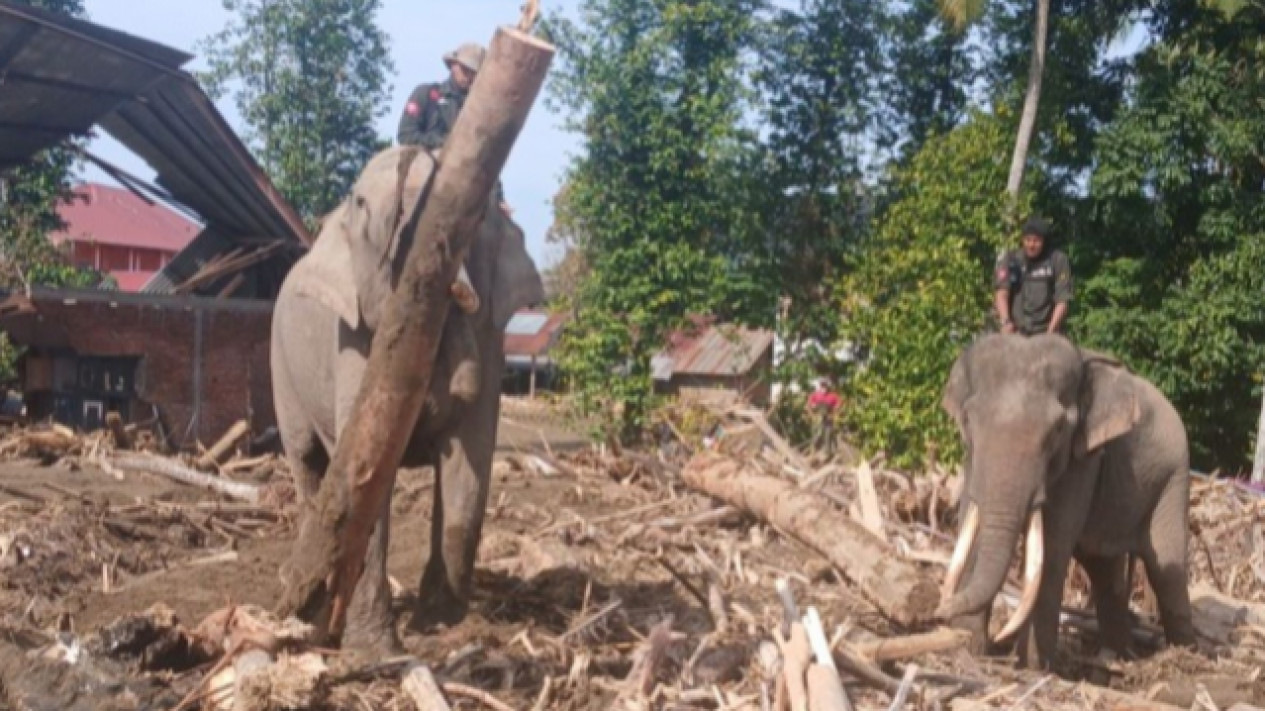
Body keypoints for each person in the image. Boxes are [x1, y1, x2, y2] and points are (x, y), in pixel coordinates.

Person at [993, 216, 1074, 336]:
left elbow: (1062, 300)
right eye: (1028, 240)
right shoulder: (1010, 259)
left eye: (1036, 241)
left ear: (1044, 241)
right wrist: (1006, 322)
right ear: (1022, 240)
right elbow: (1001, 293)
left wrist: (1050, 332)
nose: (1031, 245)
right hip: (1016, 330)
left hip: (1047, 330)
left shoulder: (1057, 260)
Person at [807, 378, 841, 458]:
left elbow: (839, 404)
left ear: (828, 386)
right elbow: (809, 405)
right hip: (818, 418)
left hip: (828, 419)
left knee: (828, 435)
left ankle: (828, 453)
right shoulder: (815, 395)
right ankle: (813, 452)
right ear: (820, 386)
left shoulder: (832, 396)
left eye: (825, 385)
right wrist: (812, 414)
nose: (823, 387)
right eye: (822, 385)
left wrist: (833, 414)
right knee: (817, 434)